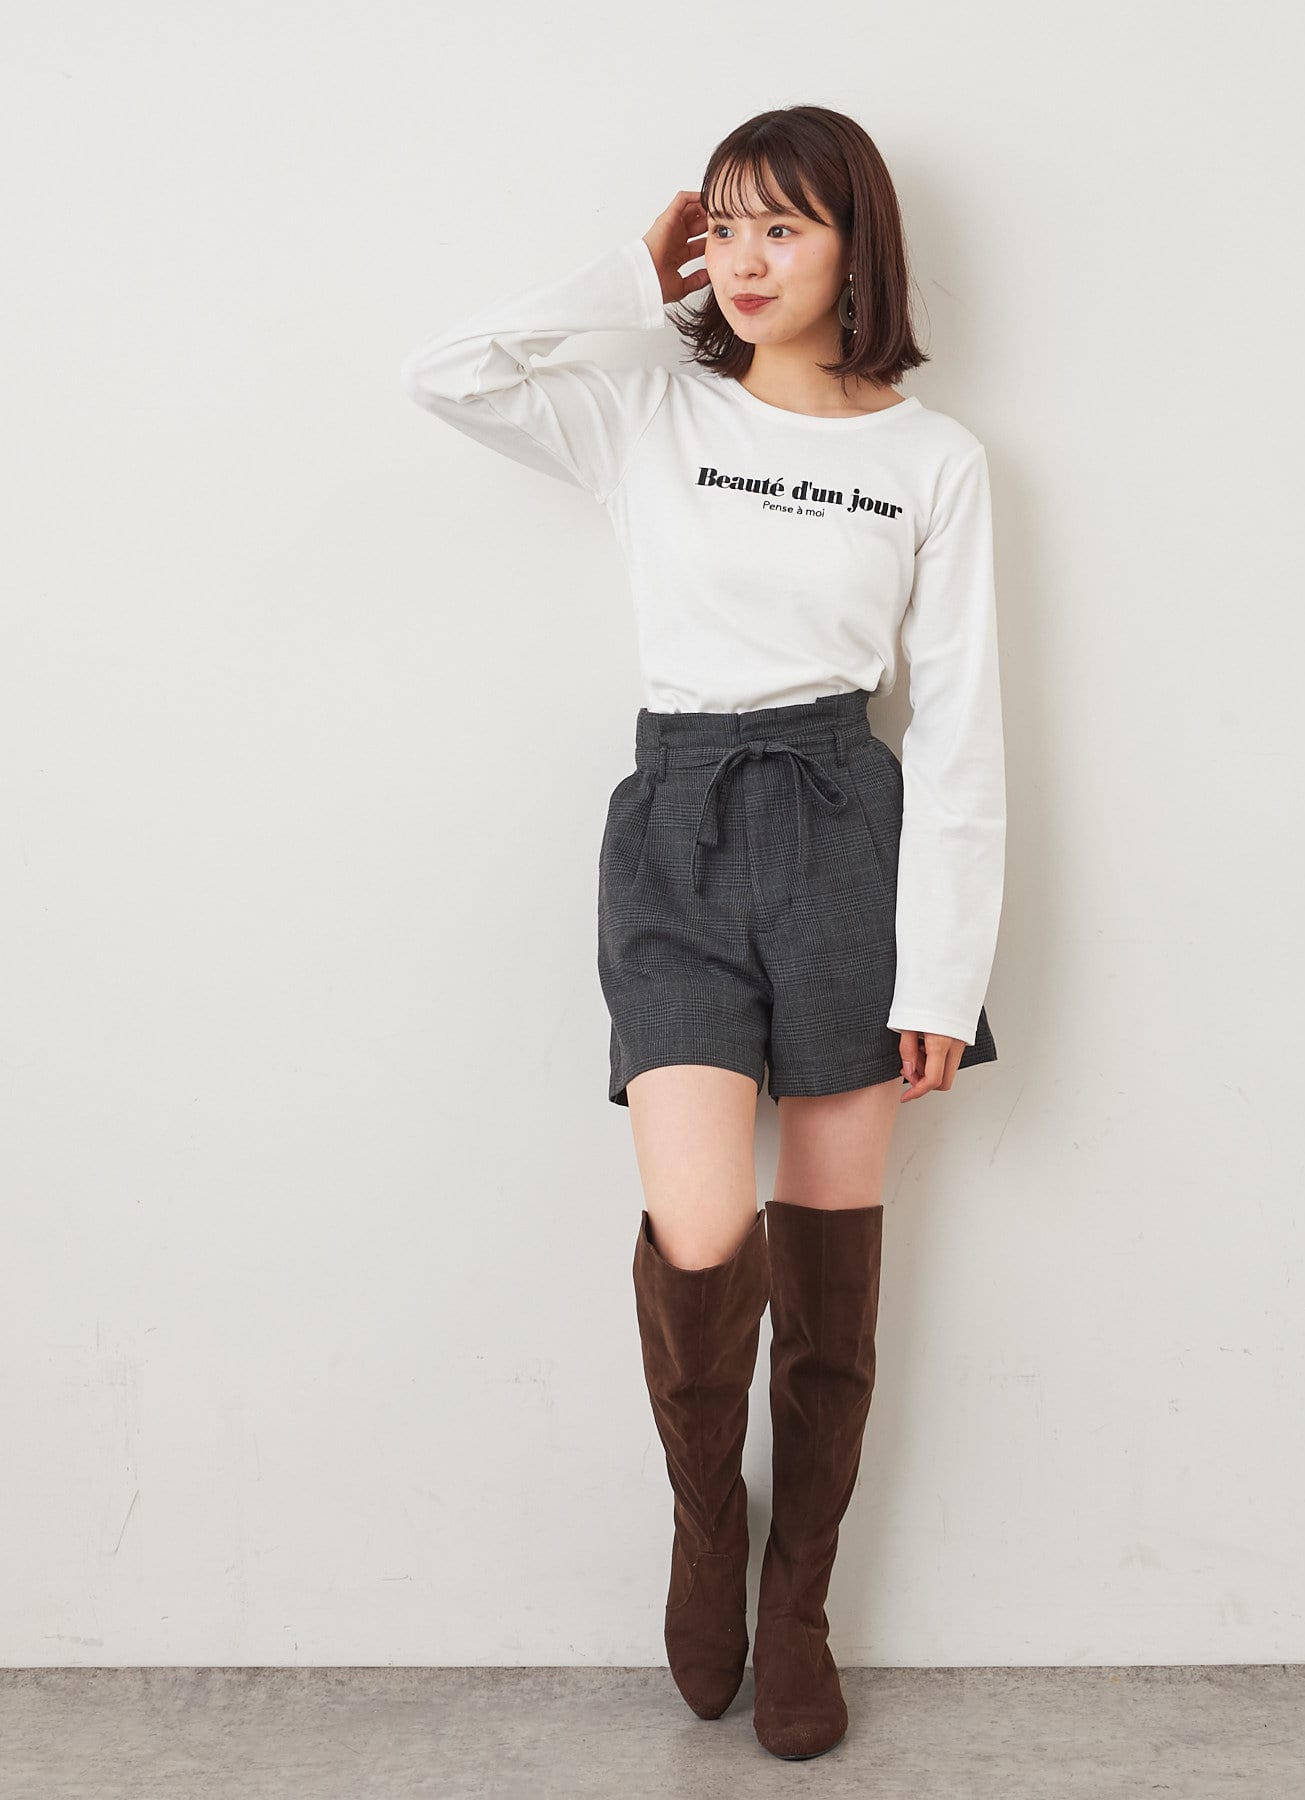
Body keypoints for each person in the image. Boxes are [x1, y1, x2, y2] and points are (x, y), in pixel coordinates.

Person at [400, 104, 1007, 1761]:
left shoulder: (934, 460)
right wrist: (631, 270)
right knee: (697, 1227)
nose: (745, 258)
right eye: (724, 225)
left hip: (845, 829)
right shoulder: (651, 409)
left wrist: (944, 971)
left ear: (857, 249)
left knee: (829, 1254)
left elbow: (962, 732)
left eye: (782, 227)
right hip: (676, 826)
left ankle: (798, 1601)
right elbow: (447, 375)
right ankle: (705, 1525)